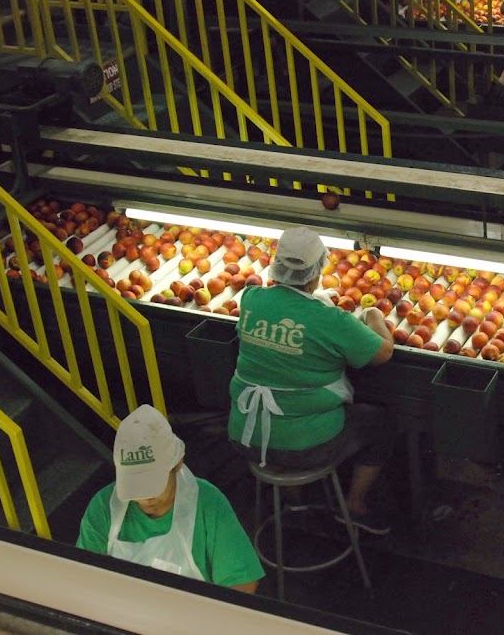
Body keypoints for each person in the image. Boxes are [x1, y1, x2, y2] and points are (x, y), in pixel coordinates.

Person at [228, 226, 395, 534]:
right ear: (318, 271)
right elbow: (382, 353)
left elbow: (287, 313)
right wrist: (374, 316)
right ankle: (355, 505)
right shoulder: (331, 320)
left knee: (287, 417)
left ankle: (295, 503)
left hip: (246, 437)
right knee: (379, 422)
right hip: (306, 448)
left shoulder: (251, 299)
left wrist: (314, 302)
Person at [77, 405, 264, 593]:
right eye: (135, 487)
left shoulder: (207, 503)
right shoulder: (103, 506)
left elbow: (241, 583)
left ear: (177, 463)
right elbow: (83, 579)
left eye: (152, 485)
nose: (144, 498)